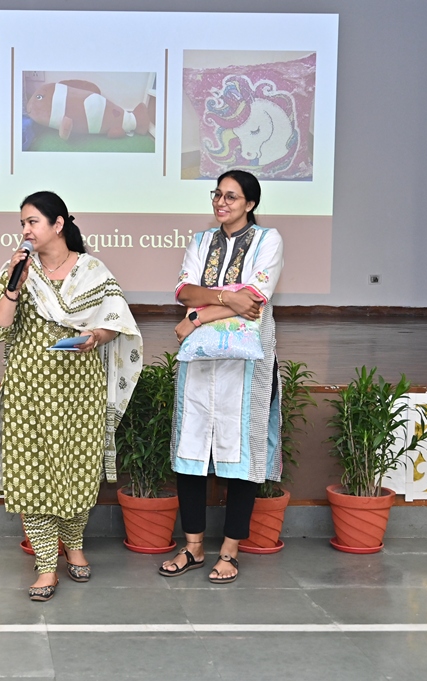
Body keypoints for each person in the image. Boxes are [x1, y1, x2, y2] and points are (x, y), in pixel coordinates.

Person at [0, 191, 142, 601]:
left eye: (32, 222)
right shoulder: (18, 271)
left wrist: (96, 336)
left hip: (80, 390)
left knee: (77, 470)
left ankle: (74, 545)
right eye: (22, 223)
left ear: (58, 224)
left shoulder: (92, 271)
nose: (25, 230)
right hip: (28, 391)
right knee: (32, 474)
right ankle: (45, 565)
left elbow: (116, 322)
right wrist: (14, 288)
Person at [160, 169, 284, 584]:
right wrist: (226, 297)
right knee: (191, 449)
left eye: (231, 196)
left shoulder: (268, 241)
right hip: (200, 359)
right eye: (217, 194)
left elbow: (255, 301)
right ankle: (193, 546)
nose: (221, 202)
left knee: (241, 452)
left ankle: (230, 551)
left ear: (250, 203)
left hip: (246, 363)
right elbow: (184, 291)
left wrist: (197, 317)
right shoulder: (200, 242)